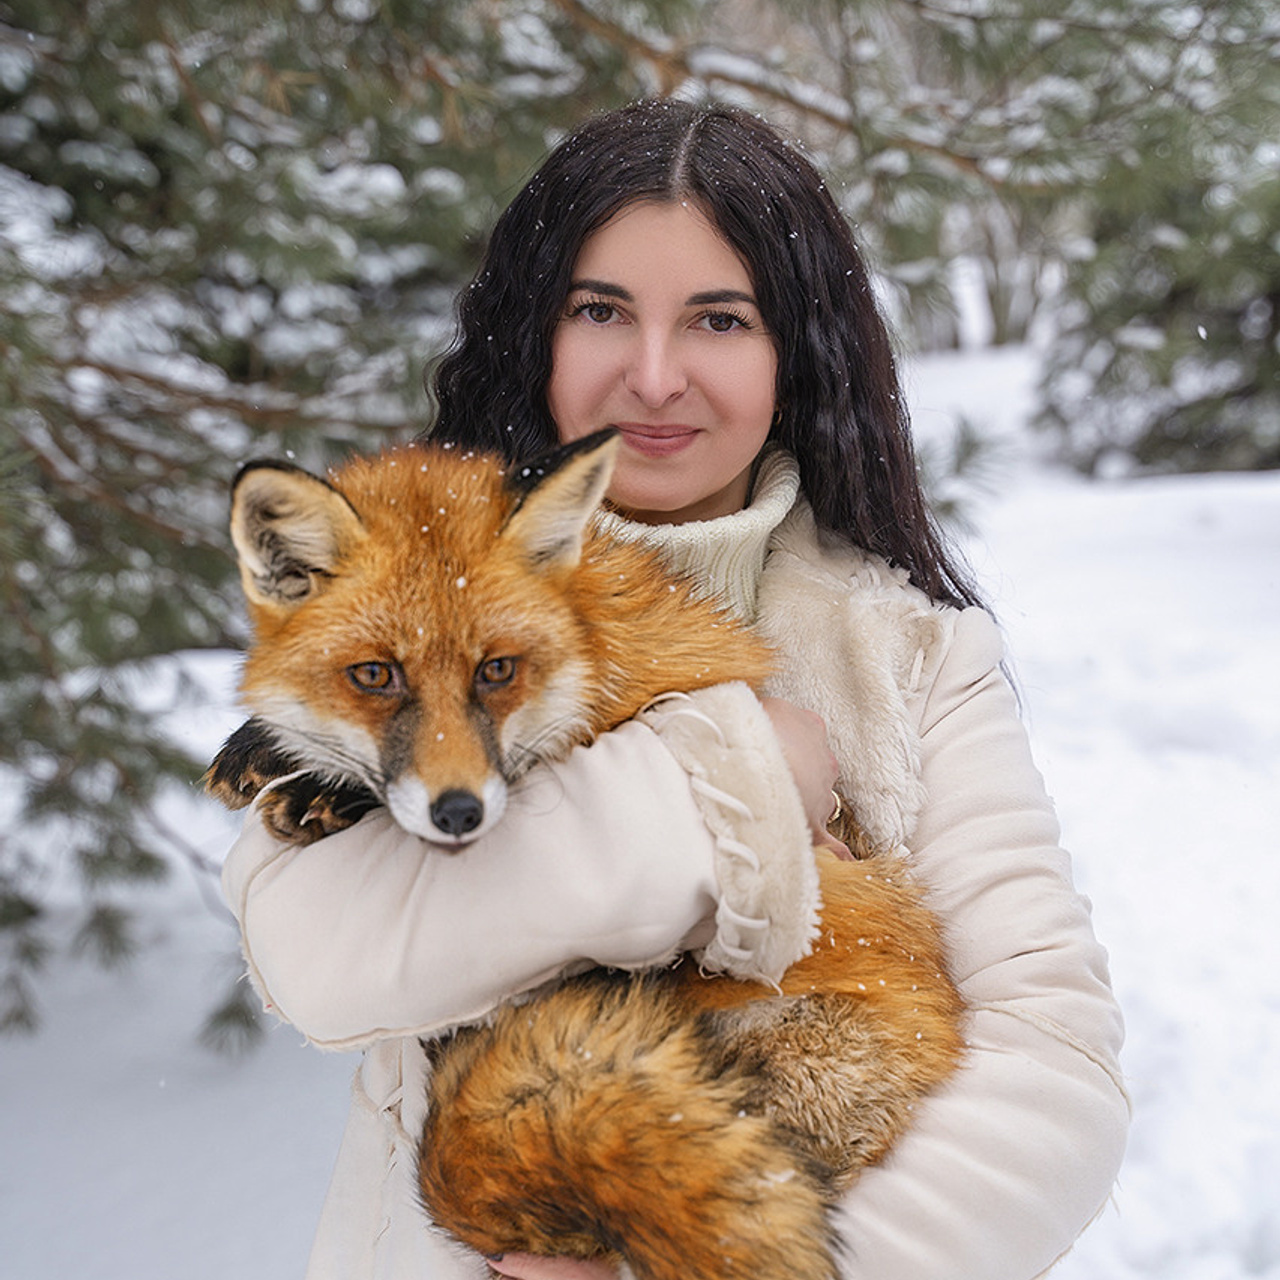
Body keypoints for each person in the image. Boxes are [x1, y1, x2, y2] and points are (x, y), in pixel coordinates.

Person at [221, 98, 1128, 1279]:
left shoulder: (912, 656)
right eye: (600, 310)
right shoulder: (390, 604)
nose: (654, 377)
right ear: (534, 331)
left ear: (792, 352)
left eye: (718, 318)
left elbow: (1055, 1070)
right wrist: (742, 780)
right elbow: (322, 964)